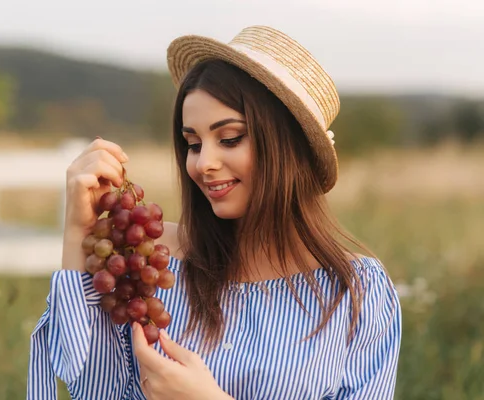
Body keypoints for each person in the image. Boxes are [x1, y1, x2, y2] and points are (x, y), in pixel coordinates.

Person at [27, 25, 402, 400]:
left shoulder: (357, 293)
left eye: (229, 139)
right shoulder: (156, 264)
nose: (203, 163)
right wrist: (79, 231)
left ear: (287, 146)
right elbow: (94, 391)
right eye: (192, 143)